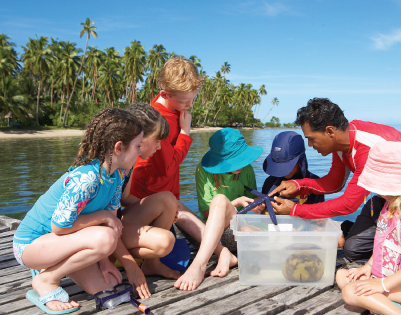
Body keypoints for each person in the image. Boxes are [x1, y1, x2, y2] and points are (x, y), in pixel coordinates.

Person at [269, 98, 401, 263]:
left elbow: (348, 204)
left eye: (311, 138)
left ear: (330, 131)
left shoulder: (368, 149)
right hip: (387, 196)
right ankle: (392, 241)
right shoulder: (341, 144)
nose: (310, 145)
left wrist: (295, 210)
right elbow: (335, 183)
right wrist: (299, 186)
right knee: (353, 250)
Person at [12, 108, 143, 313]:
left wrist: (104, 261)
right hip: (31, 245)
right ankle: (47, 278)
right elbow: (59, 227)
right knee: (106, 236)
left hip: (63, 244)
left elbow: (106, 222)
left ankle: (48, 269)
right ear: (119, 148)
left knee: (107, 287)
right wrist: (102, 216)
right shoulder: (87, 179)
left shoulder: (117, 177)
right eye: (138, 146)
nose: (140, 152)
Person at [336, 141, 401, 314]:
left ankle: (398, 311)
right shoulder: (388, 205)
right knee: (342, 276)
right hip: (384, 277)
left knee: (349, 291)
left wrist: (381, 285)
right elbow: (383, 244)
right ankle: (380, 302)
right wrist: (367, 266)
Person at [174, 128, 265, 291]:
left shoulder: (247, 169)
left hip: (232, 232)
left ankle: (200, 264)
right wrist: (236, 201)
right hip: (207, 233)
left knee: (250, 227)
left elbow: (250, 198)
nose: (240, 164)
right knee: (176, 207)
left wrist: (257, 203)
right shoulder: (203, 170)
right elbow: (208, 213)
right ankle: (223, 253)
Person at [113, 102, 180, 300]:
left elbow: (125, 198)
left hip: (114, 224)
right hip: (101, 231)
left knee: (168, 199)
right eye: (157, 140)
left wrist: (159, 210)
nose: (160, 146)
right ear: (138, 137)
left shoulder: (129, 163)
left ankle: (152, 263)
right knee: (165, 241)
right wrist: (130, 265)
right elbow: (101, 221)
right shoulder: (109, 166)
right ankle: (108, 259)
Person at [130, 57, 204, 201]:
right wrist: (185, 133)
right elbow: (167, 168)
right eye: (184, 101)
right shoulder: (158, 121)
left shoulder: (173, 105)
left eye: (192, 100)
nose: (190, 105)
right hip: (150, 193)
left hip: (166, 193)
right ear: (165, 94)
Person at [262, 131, 324, 205]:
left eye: (286, 165)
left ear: (300, 160)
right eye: (278, 165)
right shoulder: (269, 182)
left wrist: (293, 210)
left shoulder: (315, 183)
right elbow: (264, 211)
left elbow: (320, 213)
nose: (282, 170)